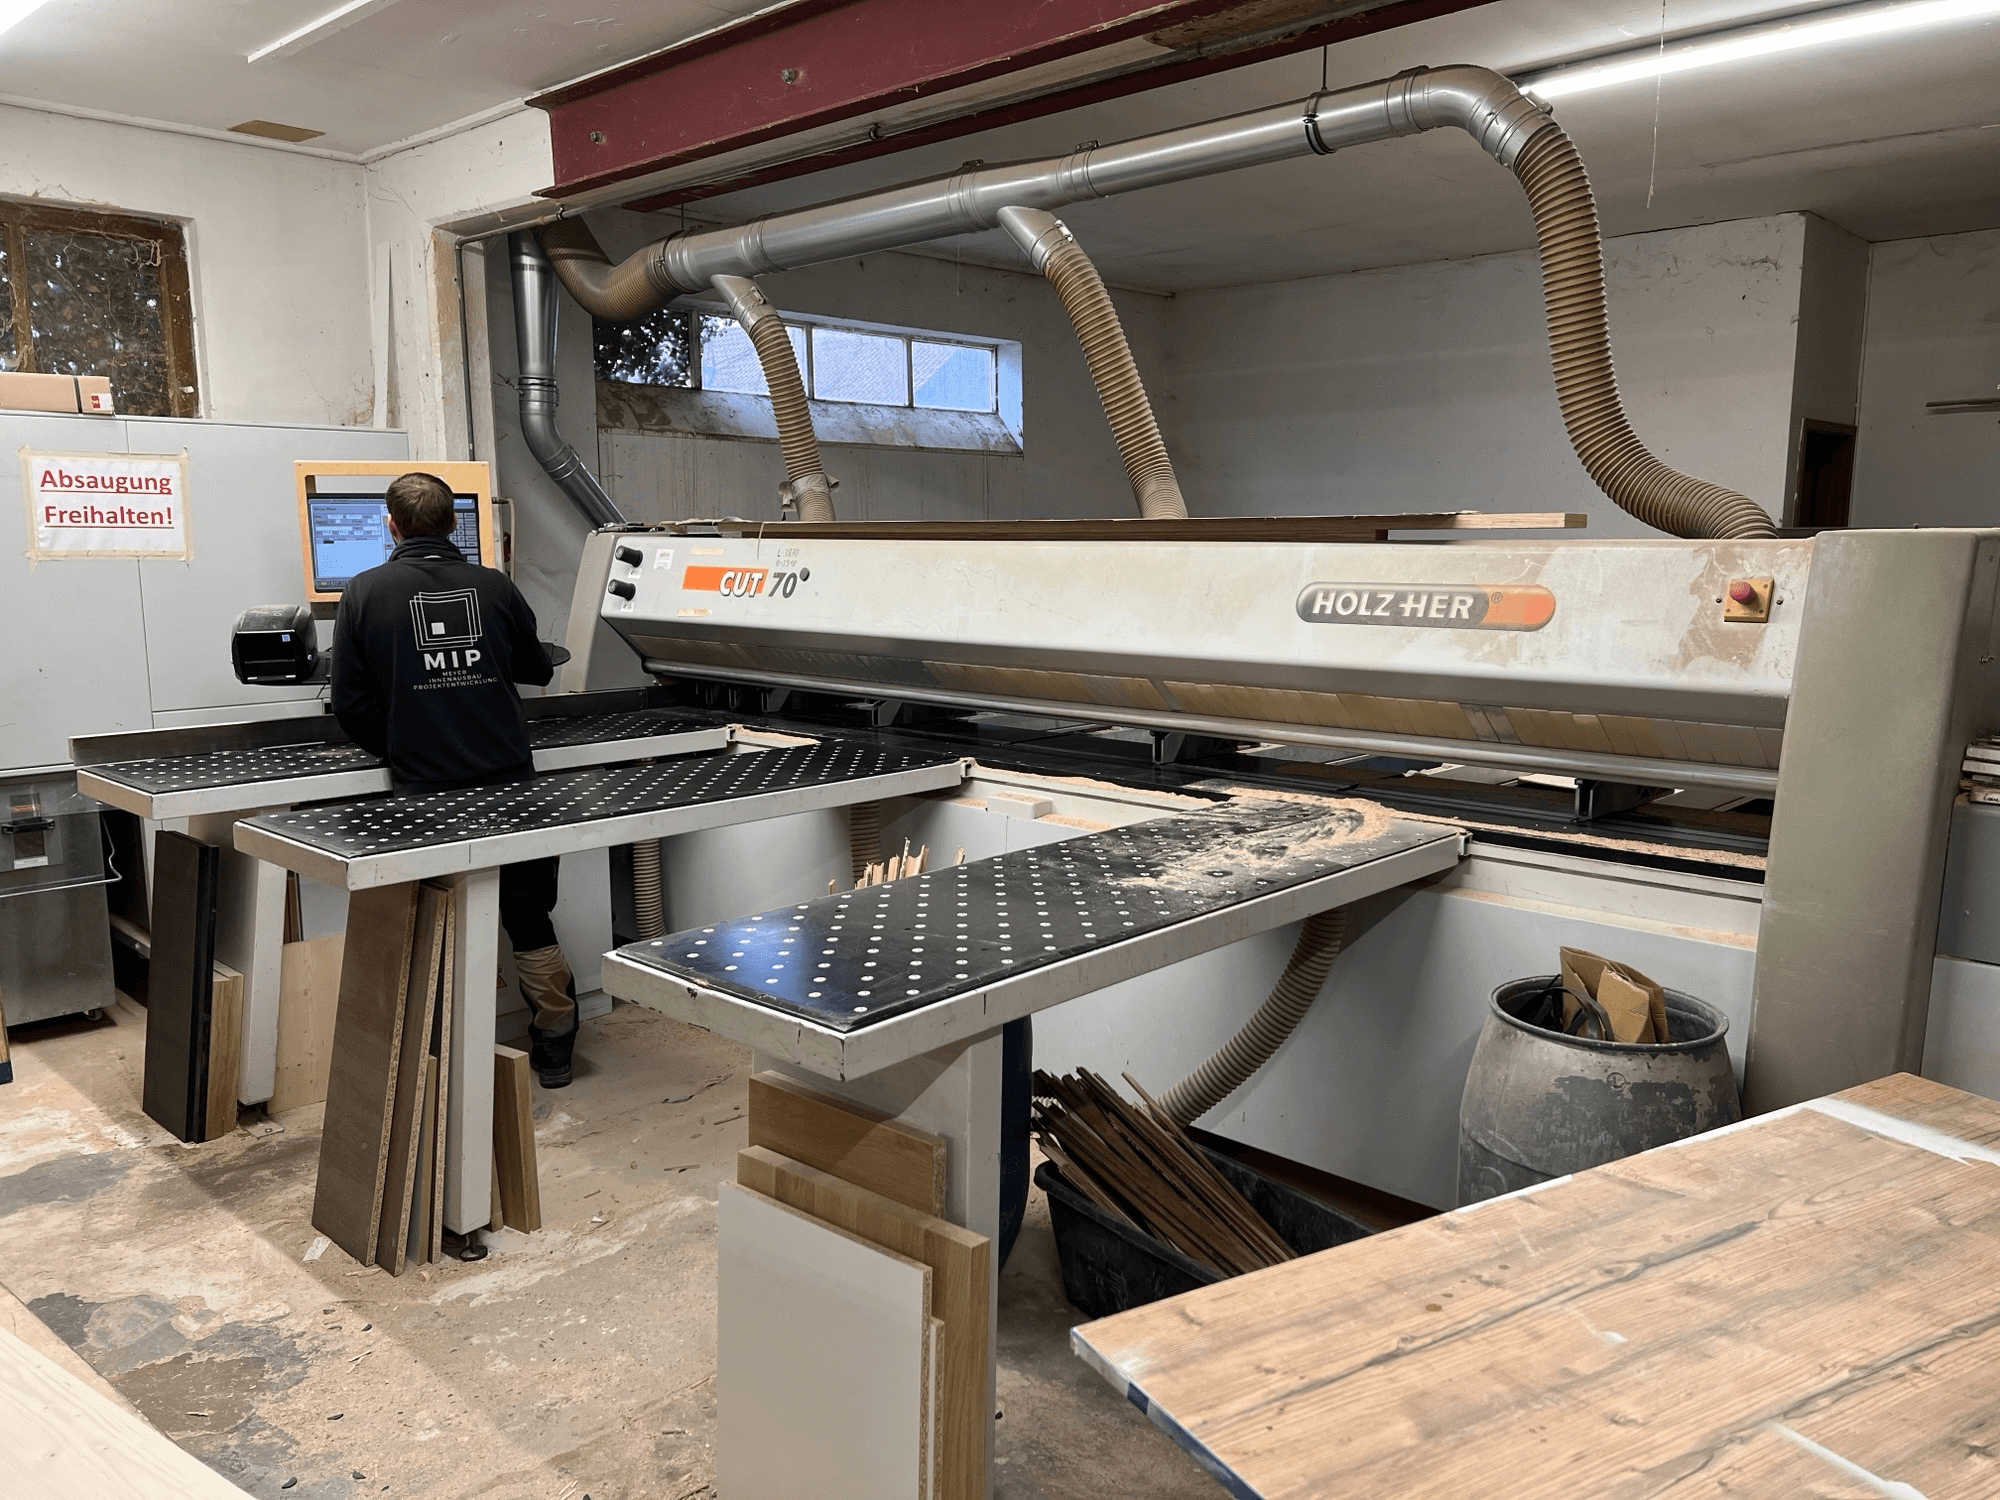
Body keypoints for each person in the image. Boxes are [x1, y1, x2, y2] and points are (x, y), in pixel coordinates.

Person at [331, 470, 580, 1089]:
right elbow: (537, 668)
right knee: (529, 918)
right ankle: (554, 1046)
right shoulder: (494, 587)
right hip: (510, 784)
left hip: (422, 793)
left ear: (391, 525)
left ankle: (433, 1064)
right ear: (453, 524)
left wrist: (402, 744)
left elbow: (349, 705)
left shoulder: (363, 592)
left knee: (430, 916)